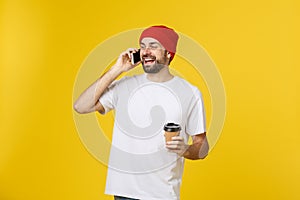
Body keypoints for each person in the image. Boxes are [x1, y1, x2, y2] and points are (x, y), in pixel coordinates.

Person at [74, 25, 209, 200]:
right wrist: (117, 69)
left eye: (153, 46)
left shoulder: (190, 92)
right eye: (142, 46)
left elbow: (203, 148)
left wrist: (185, 149)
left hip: (162, 194)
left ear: (169, 53)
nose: (146, 51)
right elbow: (81, 106)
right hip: (125, 193)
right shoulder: (125, 85)